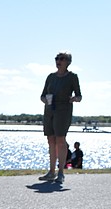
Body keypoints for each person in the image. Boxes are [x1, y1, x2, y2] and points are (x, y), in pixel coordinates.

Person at [39, 51, 82, 183]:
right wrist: (45, 100)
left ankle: (61, 172)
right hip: (49, 109)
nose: (58, 61)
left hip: (63, 110)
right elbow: (42, 95)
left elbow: (79, 96)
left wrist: (74, 98)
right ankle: (51, 171)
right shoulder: (51, 77)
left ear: (68, 62)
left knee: (61, 140)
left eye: (62, 59)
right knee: (50, 140)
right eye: (57, 58)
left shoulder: (72, 77)